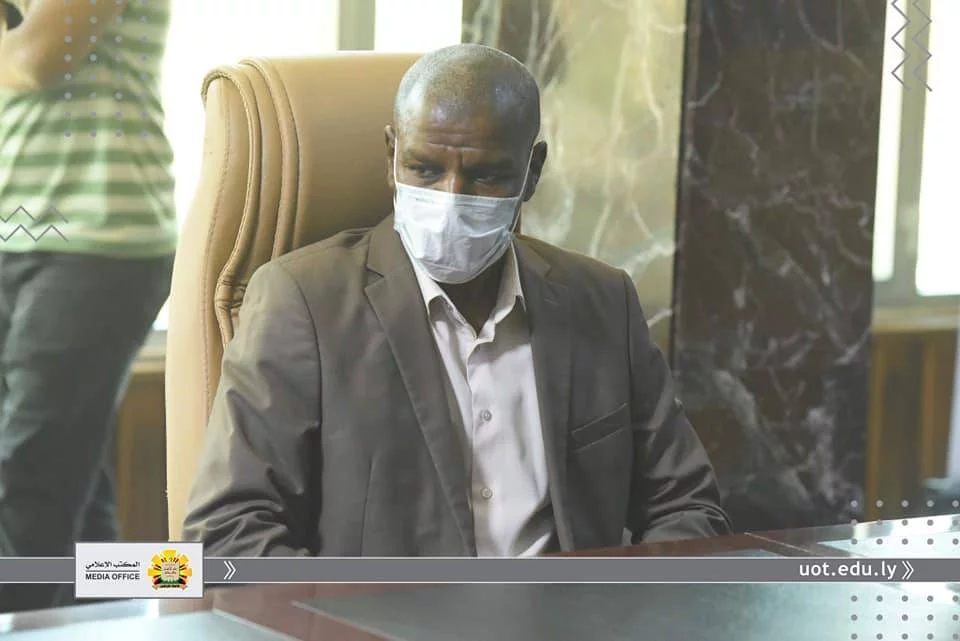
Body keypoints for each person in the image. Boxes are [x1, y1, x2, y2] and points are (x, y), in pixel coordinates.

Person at [183, 44, 731, 557]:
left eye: (485, 175)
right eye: (425, 169)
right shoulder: (303, 302)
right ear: (391, 156)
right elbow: (228, 536)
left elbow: (687, 507)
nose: (451, 201)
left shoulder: (601, 301)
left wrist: (624, 608)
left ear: (532, 172)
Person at [0, 0, 175, 610]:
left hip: (99, 236)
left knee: (26, 481)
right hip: (16, 228)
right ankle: (101, 618)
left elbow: (37, 58)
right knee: (67, 479)